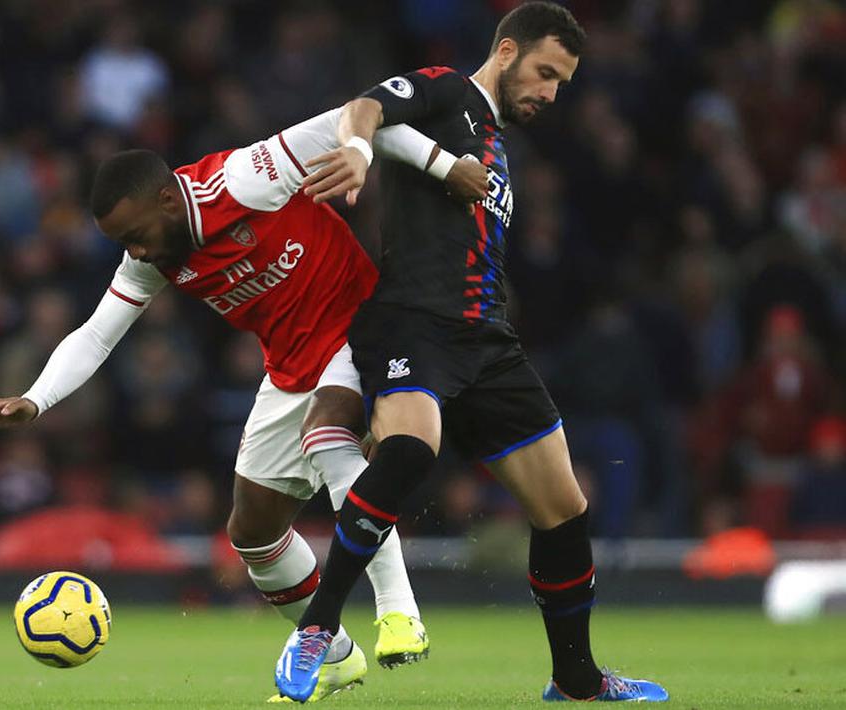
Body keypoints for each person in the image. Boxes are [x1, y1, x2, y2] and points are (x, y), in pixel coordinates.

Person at [0, 108, 489, 701]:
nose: (132, 252)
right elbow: (96, 333)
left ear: (168, 199)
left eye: (134, 235)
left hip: (362, 327)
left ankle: (399, 612)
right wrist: (35, 400)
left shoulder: (246, 178)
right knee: (253, 533)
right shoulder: (150, 258)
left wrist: (447, 165)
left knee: (328, 437)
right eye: (120, 243)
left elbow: (364, 118)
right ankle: (338, 656)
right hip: (292, 367)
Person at [271, 3, 668, 703]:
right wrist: (359, 153)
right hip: (412, 325)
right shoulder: (447, 93)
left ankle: (574, 677)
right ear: (507, 51)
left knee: (564, 507)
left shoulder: (496, 143)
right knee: (410, 449)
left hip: (486, 339)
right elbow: (365, 106)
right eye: (545, 73)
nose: (550, 92)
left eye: (562, 83)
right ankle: (315, 626)